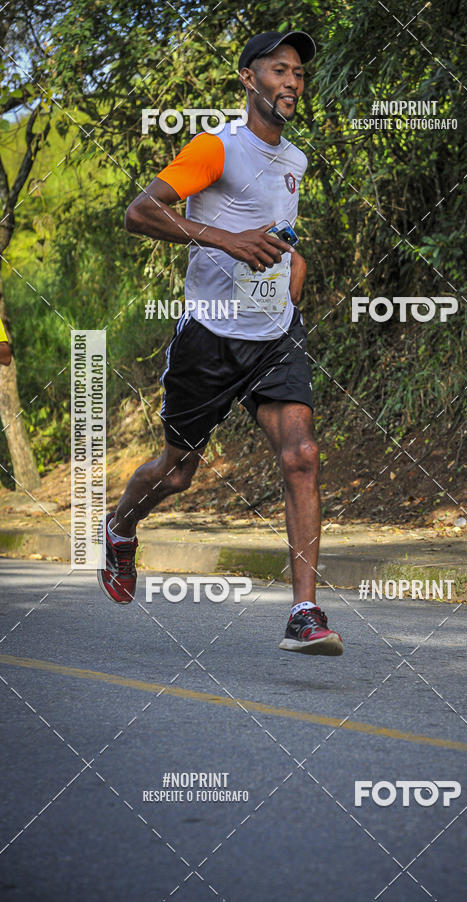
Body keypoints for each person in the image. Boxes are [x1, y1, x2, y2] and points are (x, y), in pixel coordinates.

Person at [98, 30, 343, 656]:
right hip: (209, 335)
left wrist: (294, 262)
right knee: (177, 473)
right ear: (248, 79)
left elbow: (276, 230)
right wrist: (223, 239)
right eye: (279, 70)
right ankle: (122, 527)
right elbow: (139, 212)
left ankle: (305, 613)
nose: (292, 82)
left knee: (301, 456)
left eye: (299, 75)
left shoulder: (296, 162)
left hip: (272, 333)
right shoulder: (215, 148)